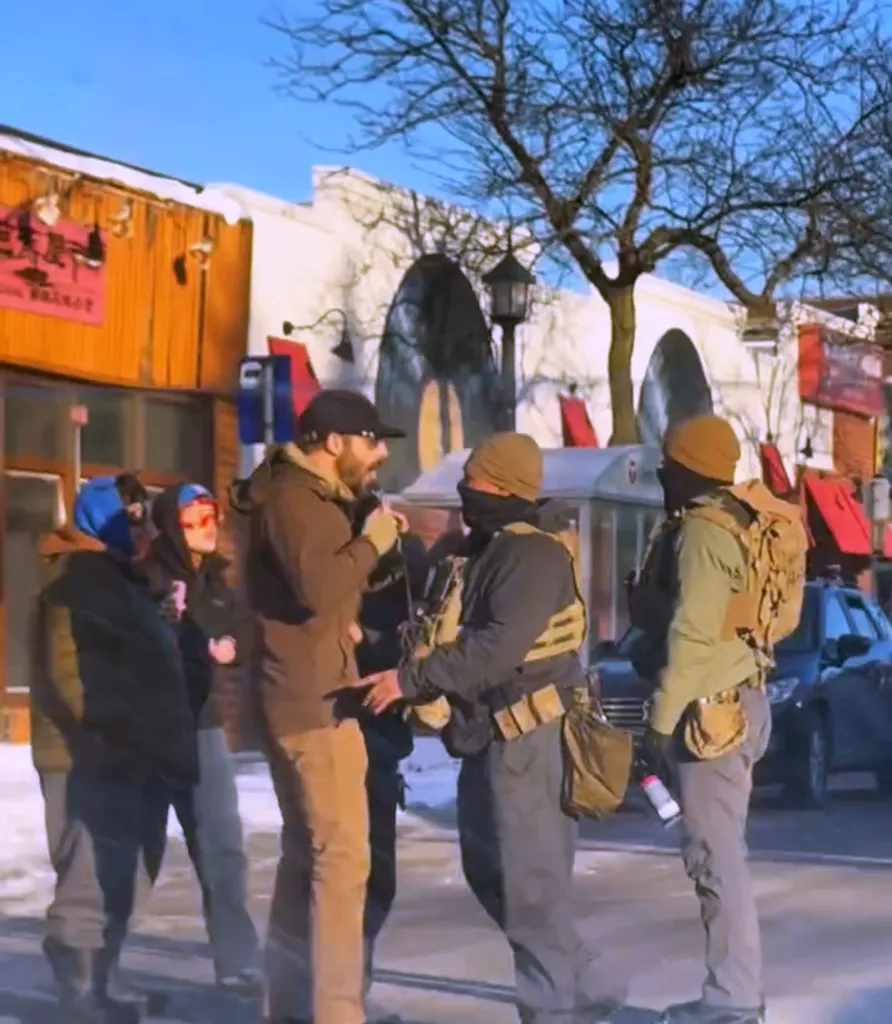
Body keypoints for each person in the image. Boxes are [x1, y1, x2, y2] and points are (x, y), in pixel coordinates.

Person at [361, 432, 627, 1024]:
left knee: (530, 887)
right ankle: (589, 984)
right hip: (487, 738)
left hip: (532, 739)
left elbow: (496, 647)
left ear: (505, 487)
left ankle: (552, 1010)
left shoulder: (532, 555)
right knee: (490, 871)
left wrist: (410, 680)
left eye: (475, 479)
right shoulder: (482, 550)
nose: (465, 489)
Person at [229, 389, 406, 1024]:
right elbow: (316, 585)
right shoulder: (296, 500)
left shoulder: (302, 498)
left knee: (308, 856)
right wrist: (373, 542)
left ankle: (288, 1005)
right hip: (313, 705)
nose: (380, 454)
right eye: (371, 441)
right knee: (342, 861)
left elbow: (310, 599)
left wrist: (345, 627)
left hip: (305, 692)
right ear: (334, 442)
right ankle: (336, 1012)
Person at [633, 414, 802, 1024]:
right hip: (737, 702)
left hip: (710, 713)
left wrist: (659, 722)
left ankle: (732, 999)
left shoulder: (705, 532)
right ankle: (734, 993)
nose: (661, 474)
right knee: (721, 853)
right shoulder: (737, 520)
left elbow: (693, 635)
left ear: (686, 468)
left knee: (716, 858)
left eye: (668, 465)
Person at [31, 474, 197, 1024]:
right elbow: (69, 674)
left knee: (126, 871)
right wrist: (112, 736)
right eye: (134, 522)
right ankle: (80, 990)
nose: (146, 533)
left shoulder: (121, 581)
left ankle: (103, 976)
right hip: (89, 757)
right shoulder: (78, 581)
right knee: (88, 873)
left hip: (132, 753)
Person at [142, 482, 261, 993]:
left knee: (223, 847)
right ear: (173, 526)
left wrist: (232, 641)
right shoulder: (146, 577)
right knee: (136, 852)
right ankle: (94, 967)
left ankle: (237, 960)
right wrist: (166, 620)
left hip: (204, 727)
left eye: (212, 516)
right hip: (150, 730)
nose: (208, 527)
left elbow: (243, 627)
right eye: (195, 519)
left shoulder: (215, 578)